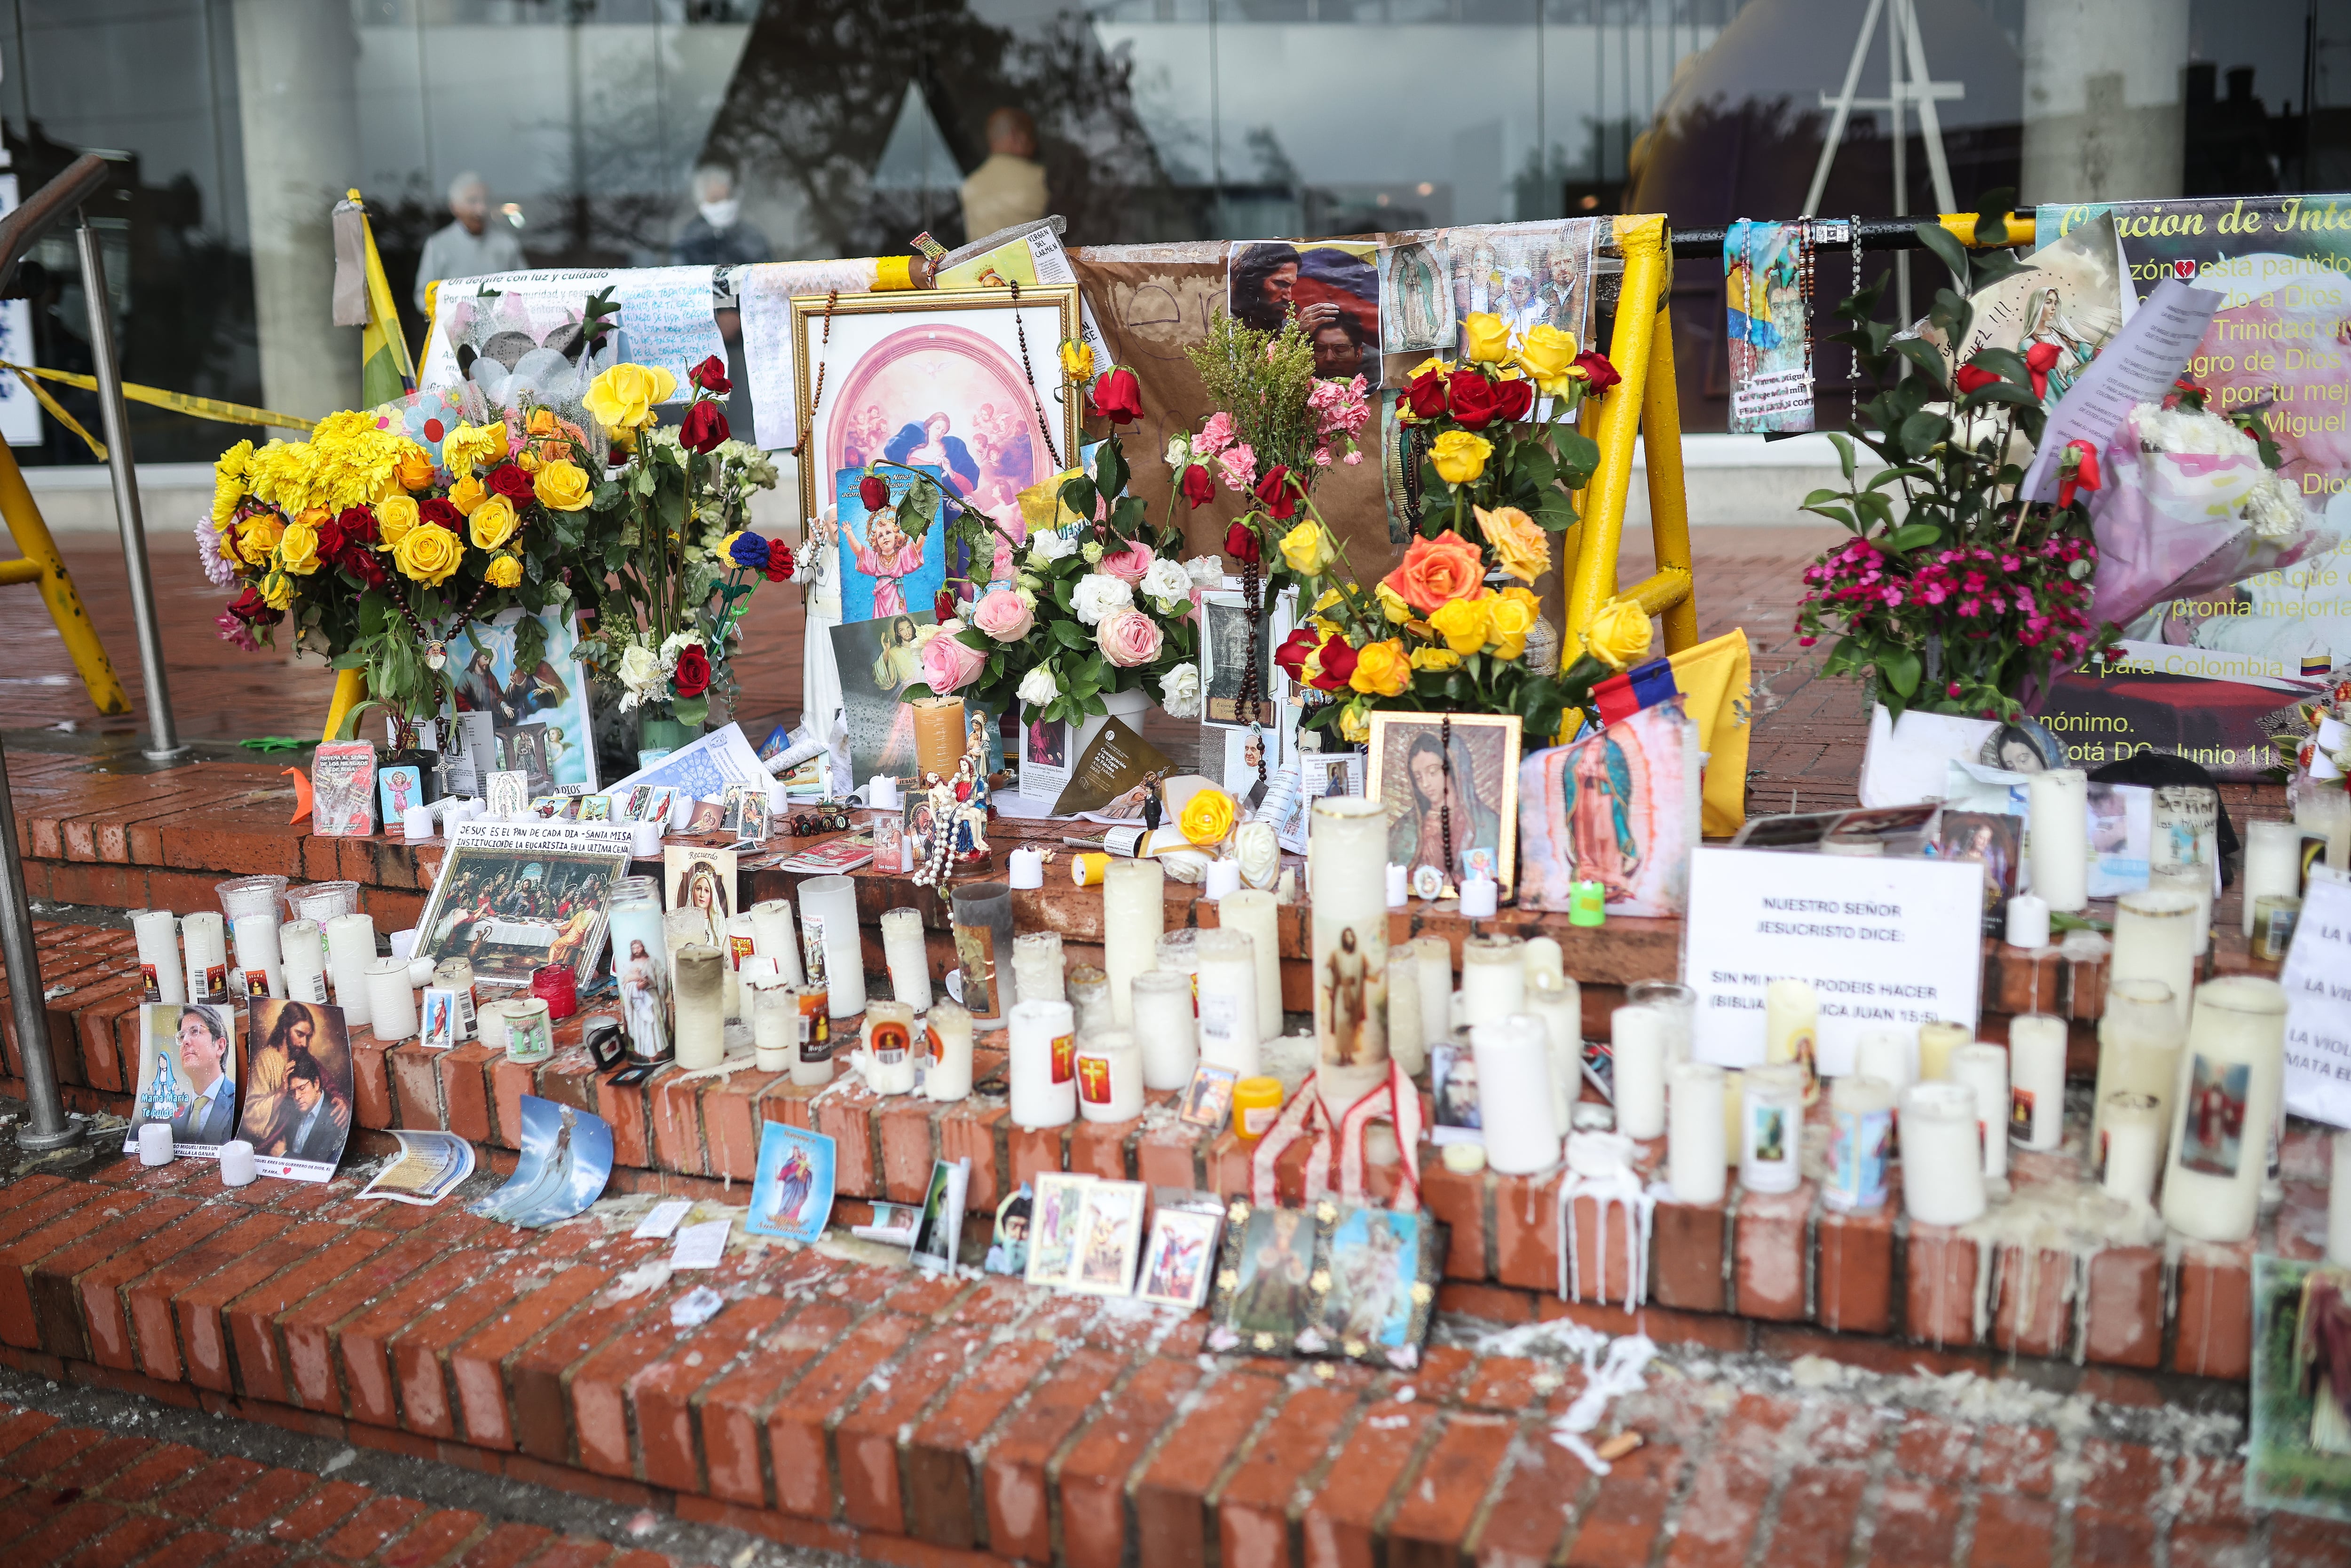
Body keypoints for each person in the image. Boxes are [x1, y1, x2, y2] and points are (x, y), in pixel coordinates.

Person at [1388, 729, 1500, 884]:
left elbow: (1493, 876)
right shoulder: (1405, 828)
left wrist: (1458, 879)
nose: (1425, 784)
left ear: (1456, 771)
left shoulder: (1489, 824)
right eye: (1419, 777)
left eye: (1433, 772)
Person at [414, 173, 525, 312]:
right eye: (473, 201)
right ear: (455, 207)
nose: (481, 209)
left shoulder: (507, 243)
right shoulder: (438, 245)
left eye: (485, 201)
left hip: (502, 329)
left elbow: (525, 289)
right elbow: (423, 297)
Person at [959, 107, 1049, 242]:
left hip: (985, 263)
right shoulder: (1040, 176)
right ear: (1018, 137)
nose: (1035, 146)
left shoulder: (968, 186)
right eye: (1032, 137)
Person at [672, 165, 771, 268]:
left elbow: (764, 274)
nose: (723, 204)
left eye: (727, 197)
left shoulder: (752, 236)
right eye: (715, 199)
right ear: (701, 200)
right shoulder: (689, 241)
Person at [165, 1005, 236, 1146]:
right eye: (182, 1036)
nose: (185, 1041)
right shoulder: (176, 1122)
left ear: (220, 1046)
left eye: (195, 1031)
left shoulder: (240, 1103)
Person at [274, 1054, 348, 1166]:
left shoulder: (336, 1115)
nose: (297, 1096)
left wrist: (283, 1155)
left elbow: (321, 1164)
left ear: (317, 1084)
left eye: (302, 1088)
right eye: (292, 1092)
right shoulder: (293, 1112)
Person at [1232, 244, 1303, 335]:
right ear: (1254, 281)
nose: (1289, 298)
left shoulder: (1271, 327)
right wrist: (1294, 338)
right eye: (1281, 284)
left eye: (1291, 286)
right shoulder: (1225, 326)